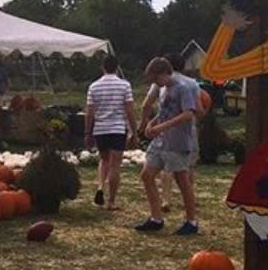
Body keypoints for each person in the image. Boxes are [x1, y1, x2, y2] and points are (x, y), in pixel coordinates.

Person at [135, 57, 200, 235]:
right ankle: (156, 218)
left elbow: (188, 114)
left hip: (178, 141)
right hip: (161, 140)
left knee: (182, 180)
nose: (155, 83)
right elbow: (165, 112)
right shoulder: (163, 89)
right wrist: (151, 124)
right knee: (147, 175)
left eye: (156, 78)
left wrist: (163, 126)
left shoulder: (183, 88)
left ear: (165, 73)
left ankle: (191, 221)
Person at [84, 55, 138, 210]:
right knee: (115, 165)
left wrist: (87, 132)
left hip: (100, 129)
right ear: (117, 67)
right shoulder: (124, 86)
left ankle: (100, 187)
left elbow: (90, 112)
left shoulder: (94, 87)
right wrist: (134, 131)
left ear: (102, 67)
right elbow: (129, 110)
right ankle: (111, 201)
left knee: (104, 160)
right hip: (117, 128)